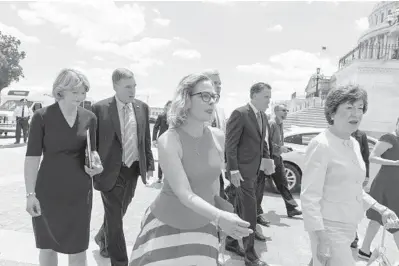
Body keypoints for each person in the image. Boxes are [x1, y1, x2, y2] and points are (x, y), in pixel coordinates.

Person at [129, 73, 252, 266]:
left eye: (214, 96)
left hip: (205, 224)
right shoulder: (169, 140)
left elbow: (213, 187)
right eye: (205, 96)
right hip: (167, 224)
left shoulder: (218, 137)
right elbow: (184, 193)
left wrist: (222, 222)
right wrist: (220, 217)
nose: (212, 101)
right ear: (185, 99)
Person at [300, 85, 399, 266]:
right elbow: (309, 196)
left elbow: (354, 188)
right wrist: (320, 237)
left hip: (349, 226)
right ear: (332, 112)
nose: (356, 114)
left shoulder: (352, 143)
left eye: (360, 108)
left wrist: (382, 209)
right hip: (329, 228)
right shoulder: (321, 145)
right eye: (349, 107)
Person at [24, 68, 103, 266]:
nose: (80, 96)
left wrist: (97, 166)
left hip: (79, 192)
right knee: (47, 246)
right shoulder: (41, 117)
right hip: (48, 191)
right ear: (61, 91)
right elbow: (32, 158)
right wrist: (30, 194)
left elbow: (92, 153)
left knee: (78, 248)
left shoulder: (90, 118)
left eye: (83, 92)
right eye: (75, 92)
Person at [91, 68, 154, 266]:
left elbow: (145, 139)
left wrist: (149, 165)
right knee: (115, 218)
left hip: (133, 169)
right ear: (115, 86)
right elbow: (92, 143)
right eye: (128, 86)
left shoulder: (142, 107)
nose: (133, 90)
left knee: (118, 212)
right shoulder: (99, 108)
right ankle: (120, 261)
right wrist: (92, 164)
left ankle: (103, 237)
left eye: (134, 86)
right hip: (108, 171)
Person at [225, 82, 275, 266]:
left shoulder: (262, 116)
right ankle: (250, 255)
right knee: (250, 212)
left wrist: (268, 160)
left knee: (238, 208)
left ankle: (231, 242)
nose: (269, 101)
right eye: (266, 97)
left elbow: (263, 143)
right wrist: (233, 170)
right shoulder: (240, 113)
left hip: (255, 172)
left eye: (270, 97)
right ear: (253, 95)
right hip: (241, 173)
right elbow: (230, 145)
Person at [359, 117, 399, 260]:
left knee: (377, 219)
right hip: (385, 184)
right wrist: (394, 163)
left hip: (397, 186)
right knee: (394, 221)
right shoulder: (389, 138)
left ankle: (364, 249)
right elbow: (372, 157)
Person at [268, 104, 302, 218]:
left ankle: (291, 208)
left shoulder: (280, 124)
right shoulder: (271, 124)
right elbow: (266, 143)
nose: (286, 112)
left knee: (283, 183)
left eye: (287, 110)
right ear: (276, 111)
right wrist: (279, 148)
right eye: (283, 110)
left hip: (277, 158)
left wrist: (283, 148)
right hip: (269, 158)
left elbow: (277, 142)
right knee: (258, 185)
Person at [202, 69, 227, 199]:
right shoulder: (192, 108)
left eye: (219, 84)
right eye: (215, 83)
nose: (218, 86)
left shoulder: (220, 111)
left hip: (216, 169)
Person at [350, 129, 370, 249]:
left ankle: (353, 236)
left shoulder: (361, 135)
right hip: (339, 176)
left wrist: (366, 175)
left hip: (356, 175)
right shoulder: (335, 133)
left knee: (353, 206)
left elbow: (366, 156)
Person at [152, 100, 171, 182]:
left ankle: (167, 177)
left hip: (171, 140)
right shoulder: (161, 116)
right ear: (166, 106)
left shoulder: (174, 117)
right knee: (161, 159)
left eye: (172, 106)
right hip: (162, 140)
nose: (170, 107)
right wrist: (154, 139)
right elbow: (155, 127)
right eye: (169, 105)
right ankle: (160, 177)